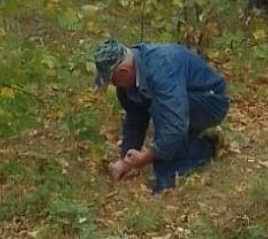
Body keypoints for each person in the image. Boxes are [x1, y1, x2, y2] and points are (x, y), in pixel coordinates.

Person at [93, 39, 229, 193]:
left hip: (211, 101)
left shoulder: (162, 67)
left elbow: (174, 125)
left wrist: (147, 157)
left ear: (124, 72)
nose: (113, 84)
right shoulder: (130, 80)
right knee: (152, 105)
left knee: (162, 110)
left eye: (112, 80)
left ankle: (197, 153)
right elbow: (134, 119)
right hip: (184, 100)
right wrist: (126, 160)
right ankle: (195, 143)